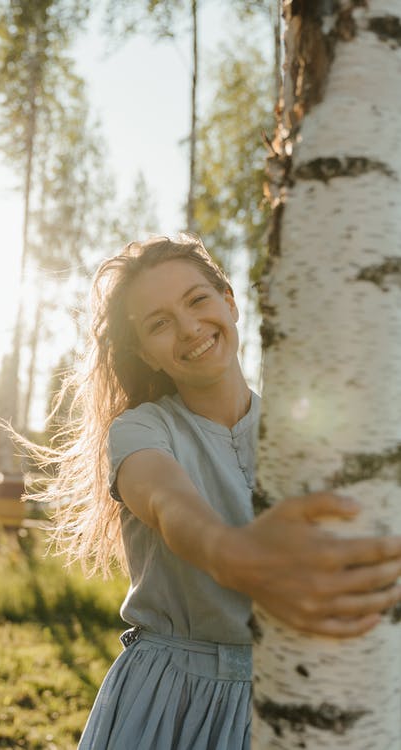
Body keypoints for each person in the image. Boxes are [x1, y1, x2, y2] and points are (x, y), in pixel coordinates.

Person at [40, 234, 401, 750]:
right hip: (168, 702)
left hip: (292, 701)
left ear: (229, 302)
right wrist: (233, 553)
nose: (189, 328)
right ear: (145, 352)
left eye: (197, 300)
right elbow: (168, 506)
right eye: (159, 323)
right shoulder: (141, 431)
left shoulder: (309, 435)